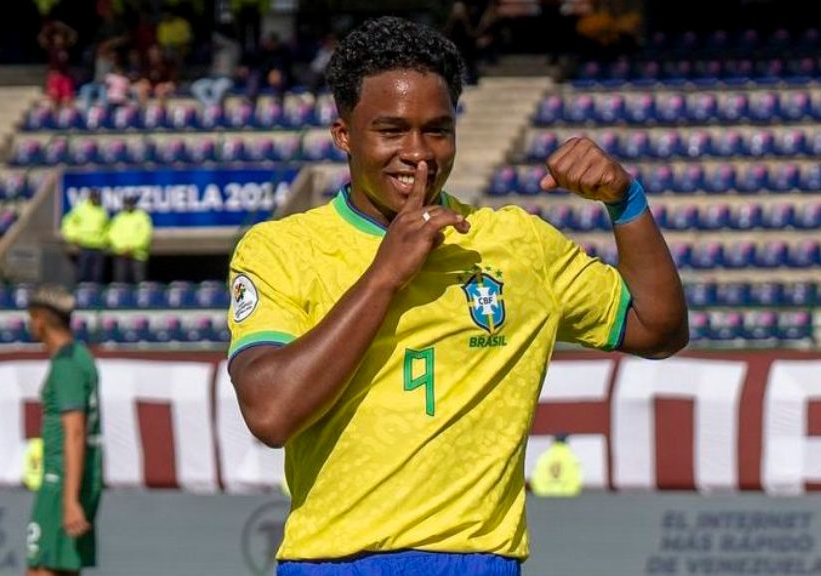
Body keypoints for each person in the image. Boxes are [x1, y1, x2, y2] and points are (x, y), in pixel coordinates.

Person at [225, 16, 687, 575]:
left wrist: (625, 201)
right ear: (343, 134)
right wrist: (384, 276)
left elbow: (659, 328)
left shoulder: (516, 244)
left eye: (437, 130)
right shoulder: (282, 248)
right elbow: (270, 413)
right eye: (391, 131)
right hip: (335, 561)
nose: (418, 153)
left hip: (476, 561)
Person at [25, 285, 102, 576]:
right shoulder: (81, 356)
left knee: (42, 570)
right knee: (55, 569)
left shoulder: (66, 365)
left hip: (61, 482)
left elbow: (75, 432)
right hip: (72, 480)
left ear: (41, 320)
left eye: (32, 319)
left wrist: (69, 500)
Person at [61, 189, 109, 284]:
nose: (96, 199)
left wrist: (105, 240)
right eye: (94, 197)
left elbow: (107, 228)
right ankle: (81, 295)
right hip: (85, 246)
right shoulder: (81, 209)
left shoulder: (102, 211)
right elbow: (68, 222)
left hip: (98, 247)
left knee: (97, 275)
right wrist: (73, 236)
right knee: (83, 274)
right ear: (89, 197)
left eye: (97, 197)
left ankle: (95, 296)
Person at [106, 194, 152, 283]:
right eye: (126, 203)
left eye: (131, 203)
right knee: (120, 283)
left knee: (139, 283)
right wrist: (122, 248)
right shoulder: (118, 218)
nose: (128, 206)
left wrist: (132, 248)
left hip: (138, 255)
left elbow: (145, 235)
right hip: (121, 255)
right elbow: (112, 235)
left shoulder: (142, 217)